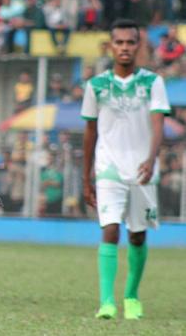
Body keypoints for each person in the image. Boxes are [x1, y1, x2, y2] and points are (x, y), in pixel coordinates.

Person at [82, 19, 171, 320]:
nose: (124, 47)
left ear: (138, 46)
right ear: (111, 46)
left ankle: (131, 296)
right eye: (118, 42)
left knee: (137, 235)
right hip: (108, 168)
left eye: (130, 42)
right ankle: (107, 301)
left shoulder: (152, 82)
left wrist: (151, 157)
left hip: (143, 170)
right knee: (109, 229)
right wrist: (86, 176)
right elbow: (90, 132)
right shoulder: (96, 86)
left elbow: (158, 124)